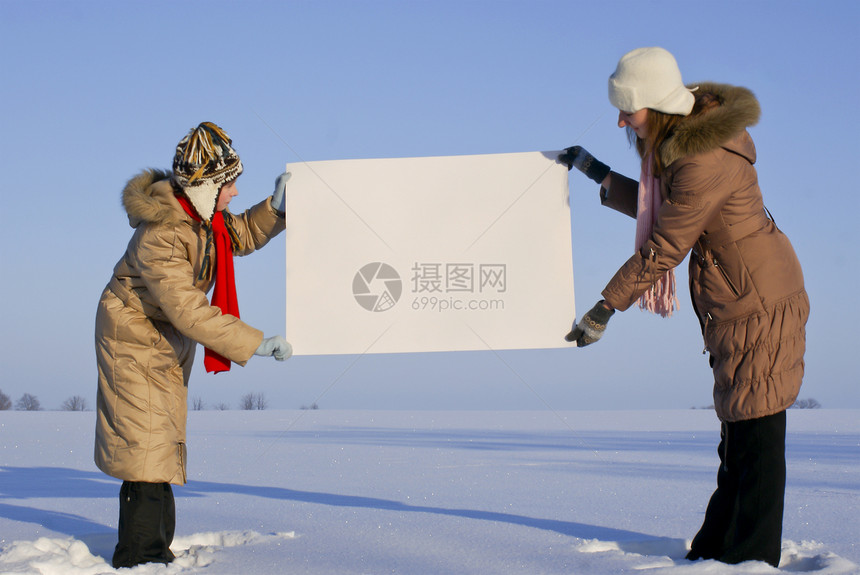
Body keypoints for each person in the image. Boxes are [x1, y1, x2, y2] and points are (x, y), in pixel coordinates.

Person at [559, 47, 808, 567]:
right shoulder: (682, 144)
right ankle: (717, 548)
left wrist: (604, 308)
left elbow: (665, 245)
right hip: (737, 297)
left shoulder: (702, 158)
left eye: (628, 108)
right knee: (739, 434)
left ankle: (751, 557)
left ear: (657, 103)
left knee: (757, 440)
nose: (621, 119)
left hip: (757, 302)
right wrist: (599, 173)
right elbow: (666, 208)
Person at [94, 121, 293, 568]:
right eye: (230, 183)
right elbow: (188, 311)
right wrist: (254, 343)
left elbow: (236, 236)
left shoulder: (200, 219)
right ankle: (139, 557)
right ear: (206, 186)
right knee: (146, 445)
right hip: (133, 338)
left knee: (159, 442)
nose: (236, 192)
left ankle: (153, 549)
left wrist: (275, 209)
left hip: (161, 338)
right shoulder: (161, 234)